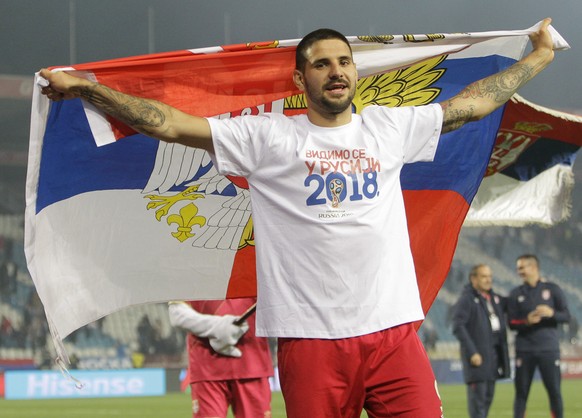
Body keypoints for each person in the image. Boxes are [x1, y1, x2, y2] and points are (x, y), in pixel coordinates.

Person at [39, 18, 556, 417]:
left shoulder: (389, 128)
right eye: (322, 63)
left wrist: (539, 56)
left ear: (356, 70)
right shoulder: (268, 137)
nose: (336, 70)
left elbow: (473, 105)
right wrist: (89, 89)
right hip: (312, 342)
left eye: (344, 61)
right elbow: (171, 125)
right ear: (300, 76)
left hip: (393, 334)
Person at [168, 298, 272, 418]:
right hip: (207, 364)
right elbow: (177, 313)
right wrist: (215, 326)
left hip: (251, 362)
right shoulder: (185, 279)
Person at [507, 254, 570, 418]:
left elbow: (566, 316)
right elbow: (511, 323)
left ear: (533, 267)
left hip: (548, 349)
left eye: (522, 267)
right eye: (518, 268)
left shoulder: (553, 289)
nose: (518, 271)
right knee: (521, 393)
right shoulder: (515, 294)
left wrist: (552, 313)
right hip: (524, 350)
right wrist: (526, 321)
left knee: (554, 391)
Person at [452, 264, 510, 418]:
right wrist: (472, 352)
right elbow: (458, 326)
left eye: (490, 276)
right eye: (484, 276)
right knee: (478, 406)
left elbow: (513, 303)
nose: (488, 280)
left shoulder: (493, 298)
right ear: (473, 279)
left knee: (487, 401)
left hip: (493, 360)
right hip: (477, 361)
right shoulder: (467, 299)